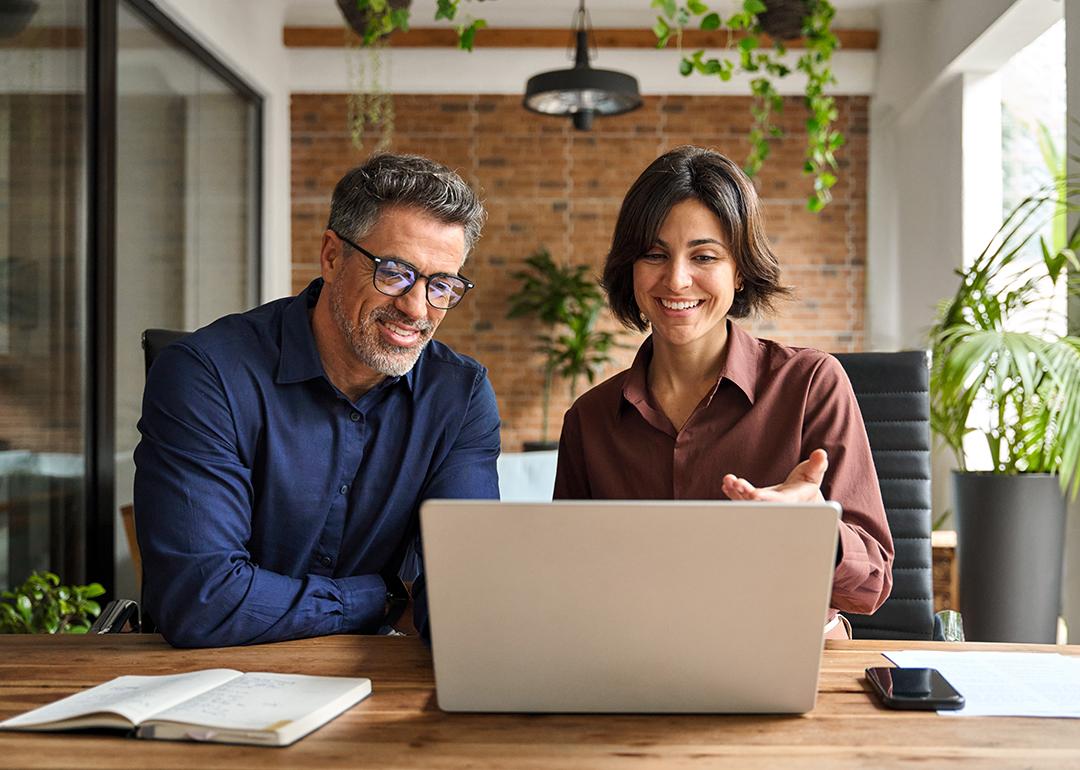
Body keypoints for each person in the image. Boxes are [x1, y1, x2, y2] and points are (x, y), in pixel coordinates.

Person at [134, 153, 500, 648]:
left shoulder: (459, 395)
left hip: (372, 684)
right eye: (395, 272)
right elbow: (201, 601)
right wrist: (383, 599)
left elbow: (466, 597)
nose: (417, 308)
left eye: (442, 285)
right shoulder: (206, 374)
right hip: (203, 682)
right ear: (332, 256)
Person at [553, 146, 893, 638]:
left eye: (704, 256)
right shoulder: (589, 420)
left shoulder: (812, 384)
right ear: (630, 267)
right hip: (635, 659)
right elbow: (567, 582)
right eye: (654, 254)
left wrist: (815, 531)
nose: (676, 279)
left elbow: (872, 585)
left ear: (740, 269)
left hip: (785, 653)